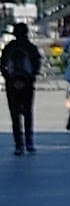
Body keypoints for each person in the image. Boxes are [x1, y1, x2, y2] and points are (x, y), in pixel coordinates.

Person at [1, 22, 42, 154]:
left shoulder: (9, 47)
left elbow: (2, 65)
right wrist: (29, 79)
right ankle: (29, 142)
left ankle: (19, 144)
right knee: (27, 112)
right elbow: (36, 66)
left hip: (12, 84)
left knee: (15, 115)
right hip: (27, 83)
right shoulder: (31, 48)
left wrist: (10, 79)